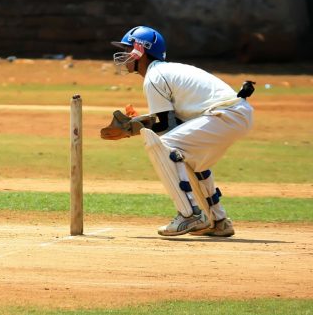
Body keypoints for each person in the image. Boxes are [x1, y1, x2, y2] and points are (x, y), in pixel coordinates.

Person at [101, 26, 254, 237]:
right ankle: (217, 220)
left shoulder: (155, 76)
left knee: (164, 145)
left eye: (128, 49)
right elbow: (174, 122)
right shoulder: (165, 71)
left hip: (225, 114)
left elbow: (164, 127)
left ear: (140, 50)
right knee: (191, 158)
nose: (125, 54)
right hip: (233, 114)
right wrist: (134, 125)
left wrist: (129, 129)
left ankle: (189, 215)